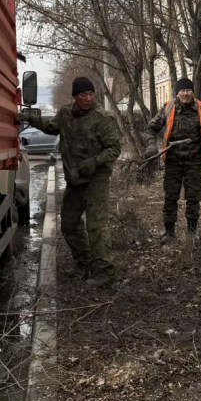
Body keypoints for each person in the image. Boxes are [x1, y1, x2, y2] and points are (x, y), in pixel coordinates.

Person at [27, 77, 123, 284]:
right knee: (69, 224)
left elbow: (115, 148)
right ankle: (85, 263)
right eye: (83, 95)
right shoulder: (65, 113)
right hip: (74, 181)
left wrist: (95, 161)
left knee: (96, 227)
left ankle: (105, 272)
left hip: (96, 180)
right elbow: (51, 127)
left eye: (91, 94)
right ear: (75, 97)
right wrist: (30, 118)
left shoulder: (102, 118)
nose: (88, 99)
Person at [147, 78, 201, 244]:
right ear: (177, 93)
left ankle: (192, 233)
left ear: (193, 92)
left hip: (194, 162)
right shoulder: (168, 108)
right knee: (170, 196)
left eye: (188, 90)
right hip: (172, 161)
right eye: (182, 91)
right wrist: (151, 145)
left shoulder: (200, 109)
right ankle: (169, 232)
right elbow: (151, 128)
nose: (185, 93)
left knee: (193, 197)